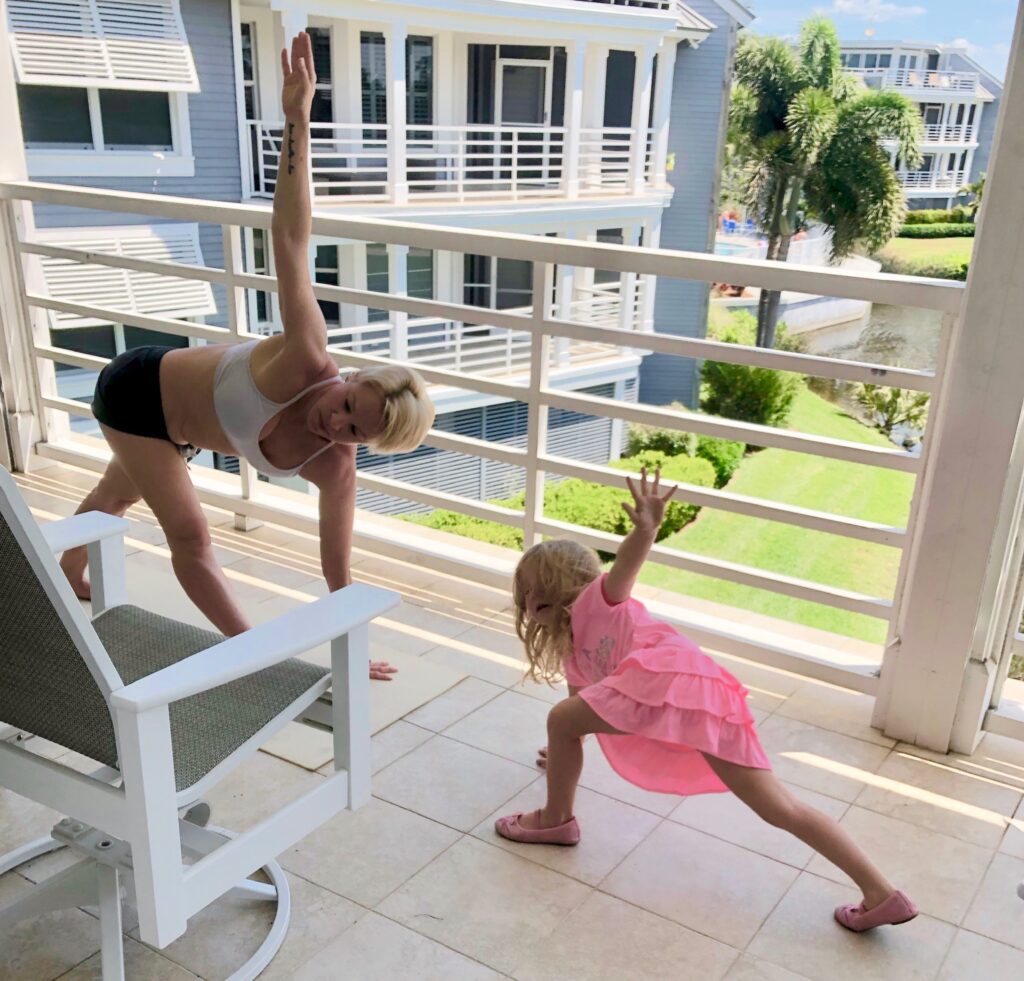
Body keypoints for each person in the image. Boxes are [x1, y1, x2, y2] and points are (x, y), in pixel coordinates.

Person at [59, 32, 435, 680]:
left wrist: (352, 652)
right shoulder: (305, 356)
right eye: (348, 404)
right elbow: (291, 237)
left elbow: (337, 571)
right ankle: (251, 653)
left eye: (355, 430)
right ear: (347, 377)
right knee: (192, 536)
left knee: (117, 497)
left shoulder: (335, 470)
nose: (335, 424)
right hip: (137, 389)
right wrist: (297, 121)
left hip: (185, 428)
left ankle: (65, 562)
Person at [496, 469, 918, 932]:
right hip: (704, 690)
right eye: (526, 590)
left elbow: (624, 570)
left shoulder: (599, 601)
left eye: (539, 585)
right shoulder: (575, 649)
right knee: (779, 807)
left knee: (562, 720)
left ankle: (556, 820)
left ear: (567, 584)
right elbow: (584, 713)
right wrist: (562, 748)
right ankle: (881, 893)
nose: (530, 597)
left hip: (671, 679)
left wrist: (646, 531)